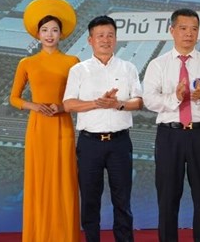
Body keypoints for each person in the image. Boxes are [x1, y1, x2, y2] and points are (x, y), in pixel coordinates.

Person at [143, 8, 200, 242]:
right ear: (172, 30)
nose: (188, 34)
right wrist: (176, 97)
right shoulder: (158, 65)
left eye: (193, 29)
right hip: (170, 136)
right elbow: (150, 100)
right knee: (168, 196)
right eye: (183, 28)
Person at [63, 15, 143, 242]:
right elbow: (68, 104)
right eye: (100, 36)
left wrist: (118, 104)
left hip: (120, 143)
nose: (105, 40)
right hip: (90, 144)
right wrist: (97, 103)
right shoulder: (79, 70)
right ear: (90, 40)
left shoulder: (128, 68)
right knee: (90, 199)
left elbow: (138, 102)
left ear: (116, 39)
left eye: (110, 35)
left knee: (122, 199)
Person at [10, 0, 81, 242]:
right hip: (38, 127)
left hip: (62, 126)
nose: (49, 35)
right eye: (45, 30)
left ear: (61, 34)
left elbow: (78, 98)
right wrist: (34, 106)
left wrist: (60, 107)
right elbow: (14, 98)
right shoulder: (27, 63)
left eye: (54, 30)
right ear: (37, 34)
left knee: (64, 181)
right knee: (39, 180)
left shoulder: (72, 62)